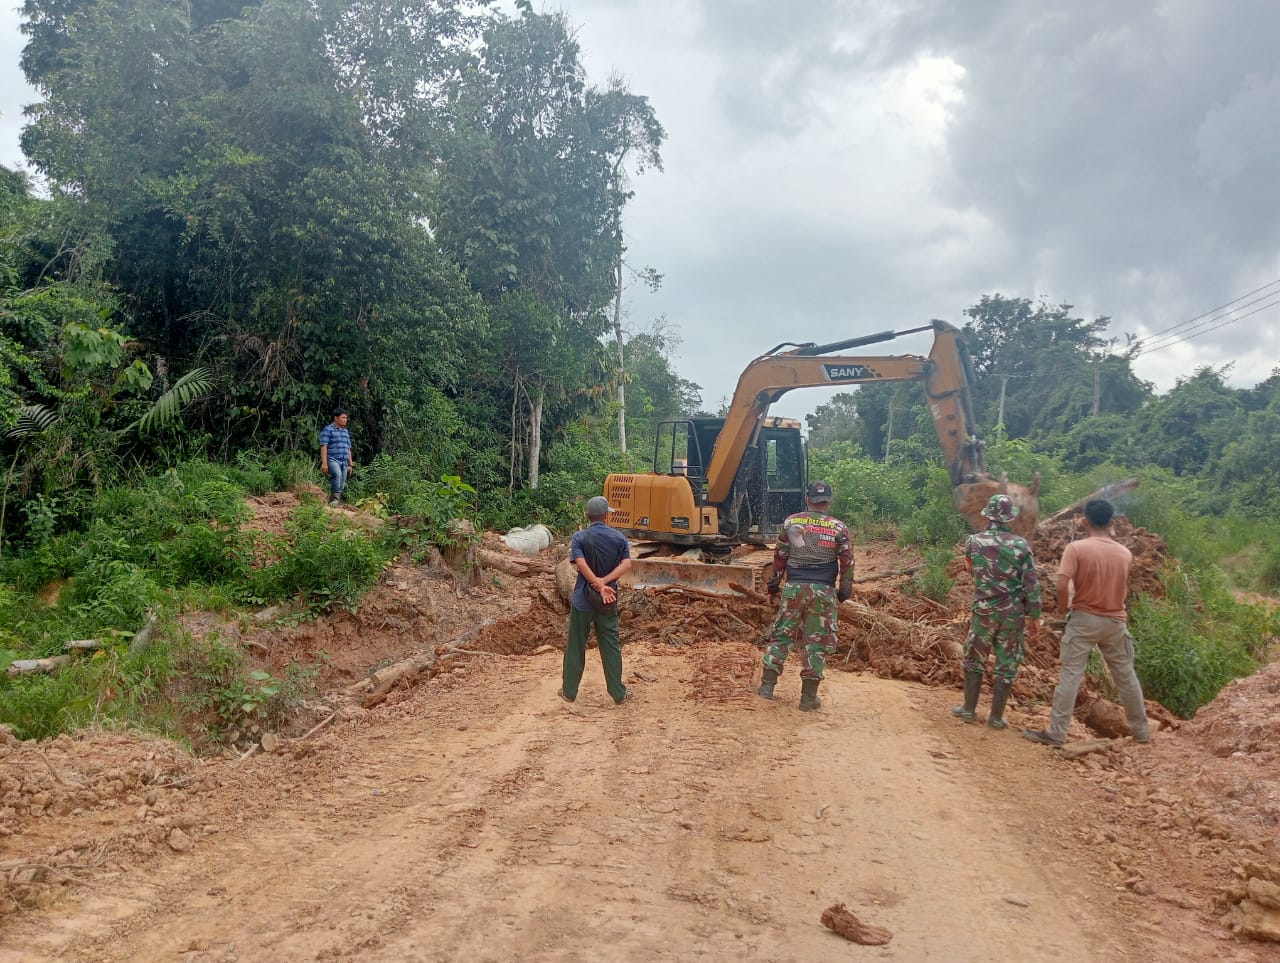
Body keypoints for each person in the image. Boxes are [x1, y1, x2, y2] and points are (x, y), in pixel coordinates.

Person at [1024, 498, 1151, 747]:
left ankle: (1057, 733)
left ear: (1084, 520)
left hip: (1083, 619)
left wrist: (1063, 610)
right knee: (1126, 677)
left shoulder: (1077, 548)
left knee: (1071, 675)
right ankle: (1141, 732)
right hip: (1115, 621)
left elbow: (1062, 583)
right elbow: (1123, 588)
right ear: (1112, 522)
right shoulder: (1124, 553)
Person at [757, 480, 854, 711]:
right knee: (816, 642)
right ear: (828, 502)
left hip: (794, 588)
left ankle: (767, 687)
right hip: (823, 590)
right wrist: (844, 589)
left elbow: (780, 556)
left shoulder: (792, 522)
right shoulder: (839, 528)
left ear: (807, 500)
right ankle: (808, 698)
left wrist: (773, 587)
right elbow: (847, 561)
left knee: (782, 634)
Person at [953, 493, 1042, 730]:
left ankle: (969, 710)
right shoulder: (1021, 545)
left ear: (988, 515)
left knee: (974, 658)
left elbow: (972, 571)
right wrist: (1035, 615)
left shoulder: (973, 541)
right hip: (1012, 613)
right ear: (1009, 518)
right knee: (1007, 662)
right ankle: (996, 717)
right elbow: (1032, 583)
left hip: (983, 610)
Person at [561, 495, 633, 705]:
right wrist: (605, 584)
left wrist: (596, 584)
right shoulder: (619, 538)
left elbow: (581, 565)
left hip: (583, 600)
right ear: (606, 516)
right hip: (607, 601)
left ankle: (569, 692)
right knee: (610, 645)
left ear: (587, 515)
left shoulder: (579, 537)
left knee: (575, 644)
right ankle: (618, 693)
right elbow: (627, 564)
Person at [318, 408, 354, 507]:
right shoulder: (328, 430)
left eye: (346, 418)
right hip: (333, 458)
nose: (345, 420)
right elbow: (324, 446)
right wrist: (324, 463)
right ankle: (334, 499)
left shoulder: (345, 432)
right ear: (336, 418)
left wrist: (351, 464)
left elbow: (348, 448)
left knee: (342, 483)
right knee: (337, 475)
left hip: (344, 461)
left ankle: (335, 502)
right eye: (343, 417)